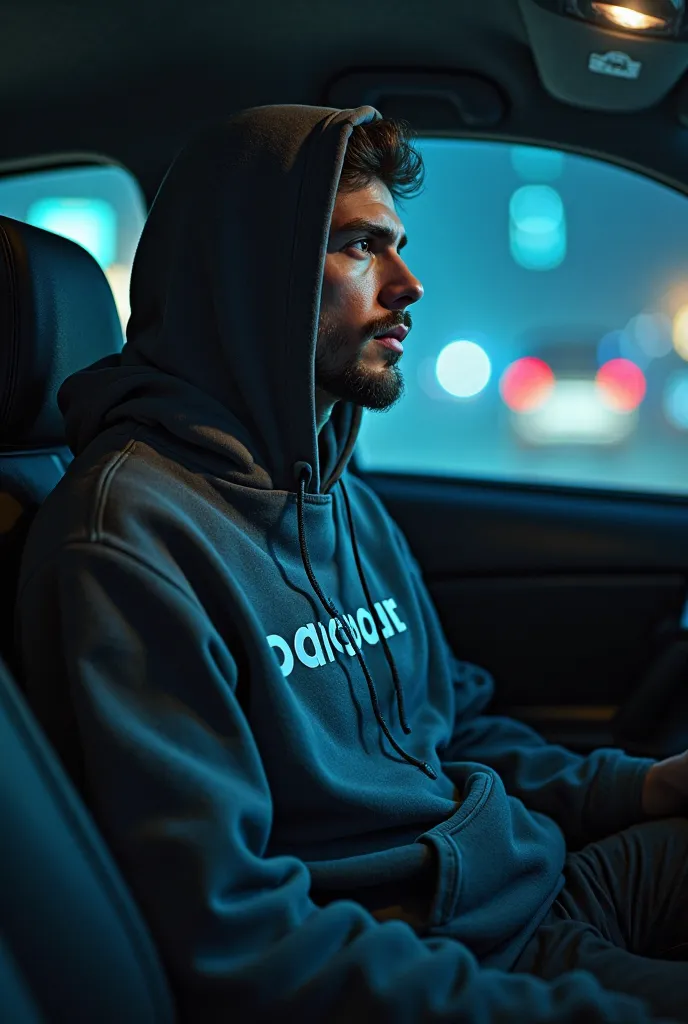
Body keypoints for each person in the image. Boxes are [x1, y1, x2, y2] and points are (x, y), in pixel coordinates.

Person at [15, 103, 688, 1023]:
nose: (409, 284)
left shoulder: (338, 496)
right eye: (363, 247)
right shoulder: (124, 544)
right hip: (432, 957)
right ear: (257, 276)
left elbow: (451, 732)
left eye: (399, 245)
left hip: (531, 889)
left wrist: (643, 784)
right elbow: (242, 941)